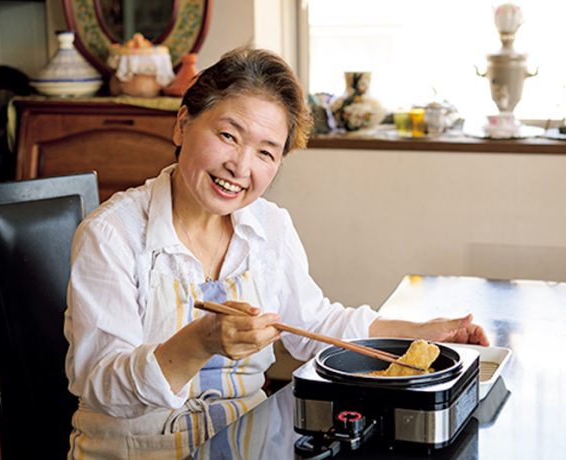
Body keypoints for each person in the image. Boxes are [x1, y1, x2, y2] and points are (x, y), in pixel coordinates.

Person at [64, 47, 489, 459]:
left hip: (250, 444)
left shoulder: (268, 226)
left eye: (265, 152)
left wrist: (419, 334)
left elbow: (316, 326)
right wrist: (200, 341)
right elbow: (101, 384)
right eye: (228, 136)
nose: (241, 167)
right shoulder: (112, 234)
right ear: (182, 124)